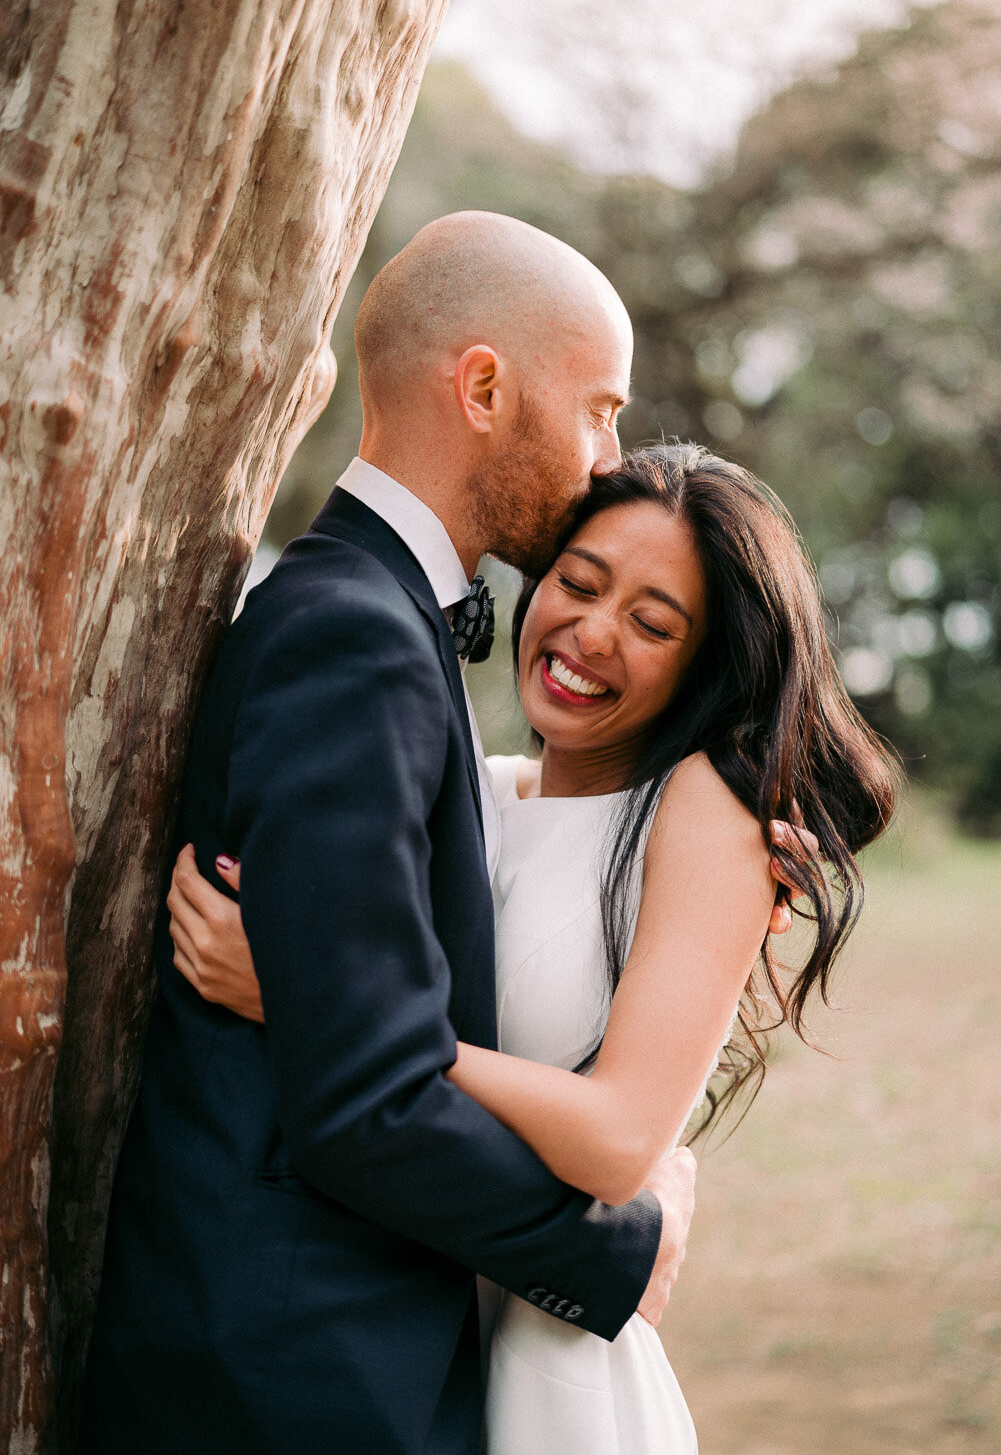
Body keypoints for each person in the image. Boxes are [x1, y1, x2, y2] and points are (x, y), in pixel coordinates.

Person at [78, 212, 713, 1455]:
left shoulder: (380, 620)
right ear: (482, 387)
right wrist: (611, 1249)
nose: (609, 454)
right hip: (291, 1379)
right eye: (597, 408)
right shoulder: (353, 635)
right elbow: (367, 1099)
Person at [168, 444, 899, 1451]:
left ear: (704, 660)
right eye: (576, 582)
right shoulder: (481, 787)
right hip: (406, 1322)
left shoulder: (704, 814)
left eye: (651, 624)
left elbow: (615, 1142)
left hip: (550, 1368)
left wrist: (314, 1006)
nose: (589, 633)